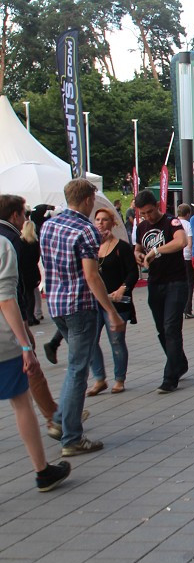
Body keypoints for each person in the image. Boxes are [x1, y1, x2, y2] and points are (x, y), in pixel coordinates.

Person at [40, 179, 125, 452]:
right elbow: (92, 275)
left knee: (75, 366)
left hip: (55, 306)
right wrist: (111, 312)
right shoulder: (86, 229)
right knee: (77, 370)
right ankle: (71, 436)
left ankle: (61, 420)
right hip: (80, 306)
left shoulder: (49, 225)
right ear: (89, 199)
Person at [0, 228, 71, 492]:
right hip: (3, 342)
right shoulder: (3, 245)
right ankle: (42, 471)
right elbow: (6, 299)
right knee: (21, 403)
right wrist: (25, 345)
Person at [133, 189, 190, 393]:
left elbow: (181, 241)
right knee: (161, 329)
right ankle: (179, 362)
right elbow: (138, 247)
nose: (147, 216)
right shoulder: (141, 227)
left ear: (157, 205)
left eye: (149, 211)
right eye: (143, 213)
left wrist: (156, 251)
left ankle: (170, 376)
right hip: (155, 283)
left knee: (171, 327)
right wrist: (139, 254)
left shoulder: (170, 222)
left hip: (175, 281)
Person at [86, 208, 137, 396]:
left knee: (116, 340)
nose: (100, 223)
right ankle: (99, 378)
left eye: (105, 220)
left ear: (112, 222)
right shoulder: (90, 246)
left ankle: (119, 379)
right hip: (93, 302)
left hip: (117, 301)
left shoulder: (121, 247)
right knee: (90, 341)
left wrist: (123, 288)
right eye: (97, 220)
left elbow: (132, 272)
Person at [177, 204, 194, 319]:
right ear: (188, 214)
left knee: (177, 283)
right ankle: (187, 309)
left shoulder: (173, 223)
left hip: (175, 257)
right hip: (187, 257)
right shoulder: (188, 225)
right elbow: (190, 243)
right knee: (189, 283)